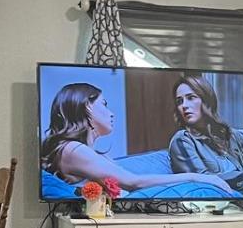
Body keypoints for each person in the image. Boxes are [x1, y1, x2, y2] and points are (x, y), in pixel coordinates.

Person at [40, 82, 233, 196]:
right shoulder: (73, 149)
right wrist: (198, 177)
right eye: (104, 105)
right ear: (87, 107)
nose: (111, 113)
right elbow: (133, 182)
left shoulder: (81, 151)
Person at [167, 75, 243, 198]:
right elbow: (203, 179)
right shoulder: (182, 140)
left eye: (191, 98)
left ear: (207, 100)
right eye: (179, 101)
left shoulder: (230, 134)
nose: (184, 105)